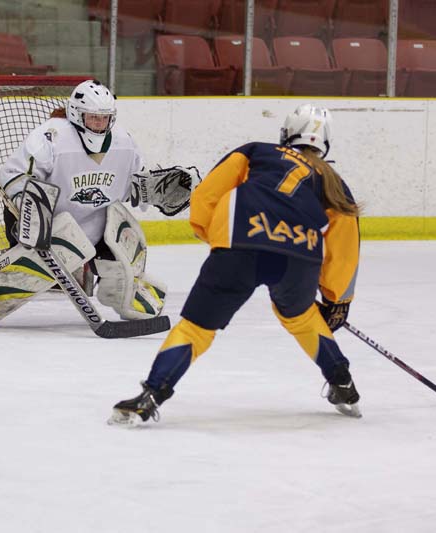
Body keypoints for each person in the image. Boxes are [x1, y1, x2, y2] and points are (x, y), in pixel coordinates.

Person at [110, 104, 362, 424]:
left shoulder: (256, 152)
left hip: (239, 245)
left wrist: (214, 237)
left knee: (196, 329)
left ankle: (151, 396)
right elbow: (345, 248)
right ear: (325, 144)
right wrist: (337, 299)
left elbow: (206, 197)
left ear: (285, 134)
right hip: (299, 259)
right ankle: (342, 381)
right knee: (300, 317)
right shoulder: (334, 182)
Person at [0, 79, 197, 329]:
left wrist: (155, 190)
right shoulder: (52, 136)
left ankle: (131, 298)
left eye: (105, 118)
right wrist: (33, 212)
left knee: (125, 242)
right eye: (93, 118)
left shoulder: (124, 141)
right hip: (46, 223)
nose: (100, 124)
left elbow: (131, 185)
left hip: (98, 224)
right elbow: (14, 176)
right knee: (33, 268)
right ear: (77, 114)